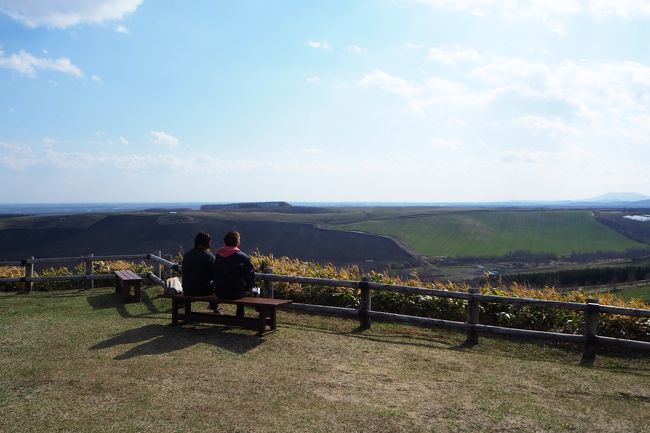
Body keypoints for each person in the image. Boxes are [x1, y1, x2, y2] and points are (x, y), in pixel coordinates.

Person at [213, 230, 255, 316]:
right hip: (236, 293)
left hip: (219, 292)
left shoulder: (218, 255)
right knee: (246, 289)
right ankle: (240, 315)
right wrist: (248, 288)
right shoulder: (242, 257)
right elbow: (250, 276)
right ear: (237, 242)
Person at [180, 231, 219, 311]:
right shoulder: (209, 257)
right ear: (206, 243)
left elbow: (184, 270)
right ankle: (214, 308)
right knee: (215, 287)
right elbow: (215, 275)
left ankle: (187, 313)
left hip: (187, 289)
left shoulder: (187, 255)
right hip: (204, 290)